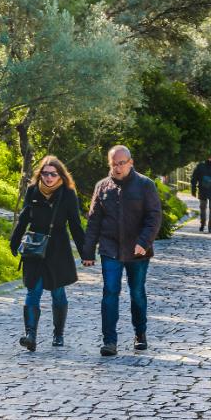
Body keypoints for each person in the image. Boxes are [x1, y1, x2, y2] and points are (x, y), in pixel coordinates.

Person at [82, 145, 163, 357]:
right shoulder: (102, 187)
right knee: (110, 292)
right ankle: (109, 341)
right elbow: (94, 221)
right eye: (113, 164)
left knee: (137, 293)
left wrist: (143, 242)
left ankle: (140, 333)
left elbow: (154, 217)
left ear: (130, 162)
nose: (117, 168)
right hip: (110, 249)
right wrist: (88, 252)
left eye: (121, 163)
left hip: (138, 251)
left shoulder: (146, 185)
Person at [9, 156, 86, 351]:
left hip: (58, 249)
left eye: (53, 174)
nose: (49, 177)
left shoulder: (67, 194)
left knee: (58, 292)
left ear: (60, 175)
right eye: (45, 173)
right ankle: (30, 335)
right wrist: (15, 241)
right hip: (34, 248)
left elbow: (75, 225)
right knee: (32, 290)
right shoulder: (33, 191)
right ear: (40, 174)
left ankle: (58, 334)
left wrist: (86, 251)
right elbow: (24, 217)